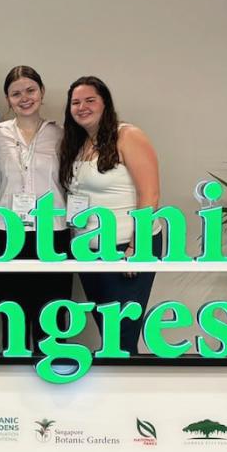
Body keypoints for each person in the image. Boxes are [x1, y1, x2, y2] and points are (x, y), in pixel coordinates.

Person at [58, 76, 162, 354]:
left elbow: (150, 195)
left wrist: (136, 247)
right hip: (89, 250)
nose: (82, 107)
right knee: (108, 331)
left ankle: (127, 394)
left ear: (105, 103)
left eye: (90, 100)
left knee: (121, 336)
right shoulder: (79, 144)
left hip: (125, 247)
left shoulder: (128, 135)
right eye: (76, 102)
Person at [0, 66, 70, 350]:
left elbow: (73, 180)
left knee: (53, 310)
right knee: (12, 308)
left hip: (52, 231)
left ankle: (53, 371)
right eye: (16, 93)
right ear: (8, 99)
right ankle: (15, 372)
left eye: (30, 90)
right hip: (8, 232)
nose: (24, 98)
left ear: (42, 92)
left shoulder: (60, 134)